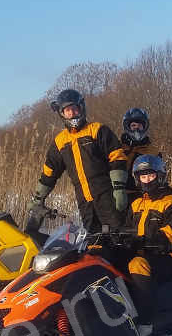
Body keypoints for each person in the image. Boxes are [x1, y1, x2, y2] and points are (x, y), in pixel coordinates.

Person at [27, 89, 128, 233]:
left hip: (107, 194)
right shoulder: (60, 141)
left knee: (117, 236)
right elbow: (49, 172)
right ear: (62, 114)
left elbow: (117, 156)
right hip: (84, 200)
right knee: (93, 241)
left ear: (81, 108)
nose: (72, 113)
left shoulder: (97, 130)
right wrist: (38, 198)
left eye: (74, 109)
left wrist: (119, 188)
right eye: (67, 111)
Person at [124, 154, 172, 336]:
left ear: (160, 175)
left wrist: (153, 239)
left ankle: (146, 322)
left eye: (151, 176)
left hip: (168, 256)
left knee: (138, 264)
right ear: (137, 179)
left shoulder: (170, 201)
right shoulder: (137, 203)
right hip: (141, 252)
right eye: (143, 176)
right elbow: (126, 227)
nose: (147, 180)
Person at [120, 108, 160, 193]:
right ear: (128, 127)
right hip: (121, 193)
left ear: (144, 127)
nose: (136, 129)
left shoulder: (153, 151)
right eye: (133, 125)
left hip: (143, 194)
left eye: (140, 126)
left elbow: (160, 175)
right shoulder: (118, 148)